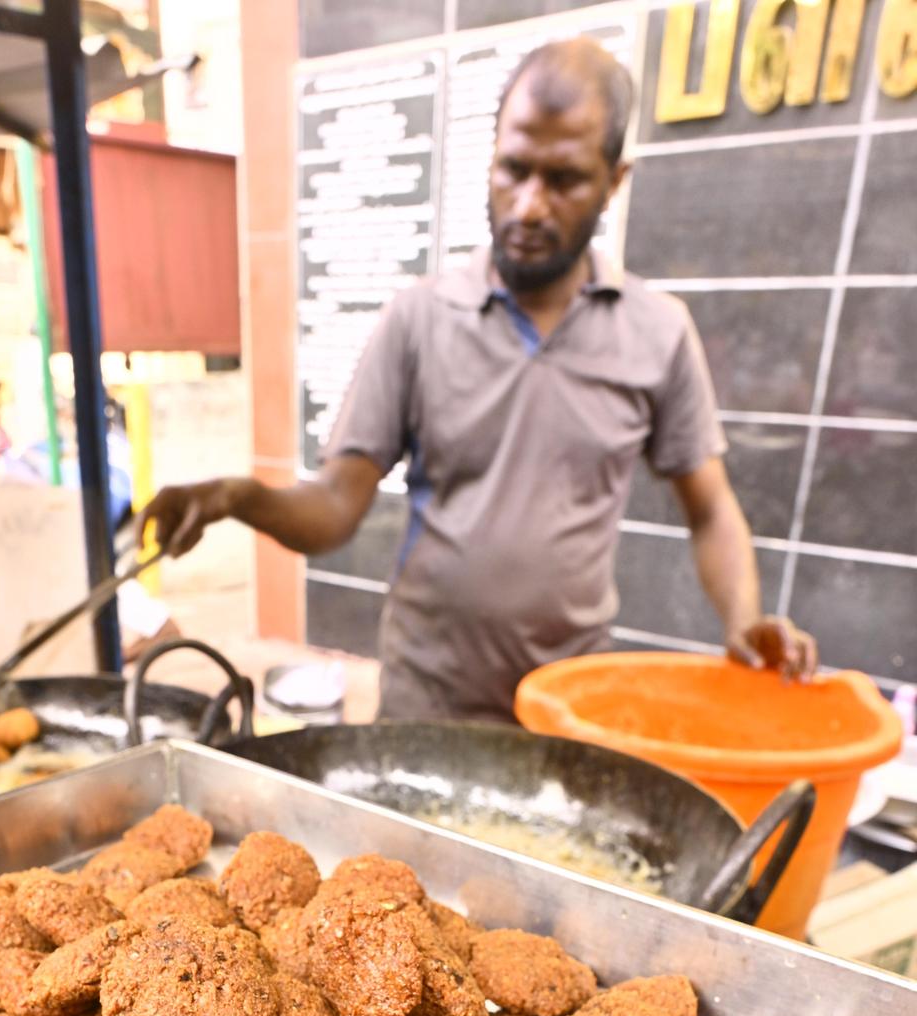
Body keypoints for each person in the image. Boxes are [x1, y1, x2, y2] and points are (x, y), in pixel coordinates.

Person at [139, 37, 818, 723]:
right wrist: (238, 497)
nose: (527, 206)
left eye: (564, 179)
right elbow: (335, 508)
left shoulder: (657, 331)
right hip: (428, 700)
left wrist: (743, 619)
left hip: (567, 705)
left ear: (615, 180)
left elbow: (711, 509)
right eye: (512, 170)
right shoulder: (420, 318)